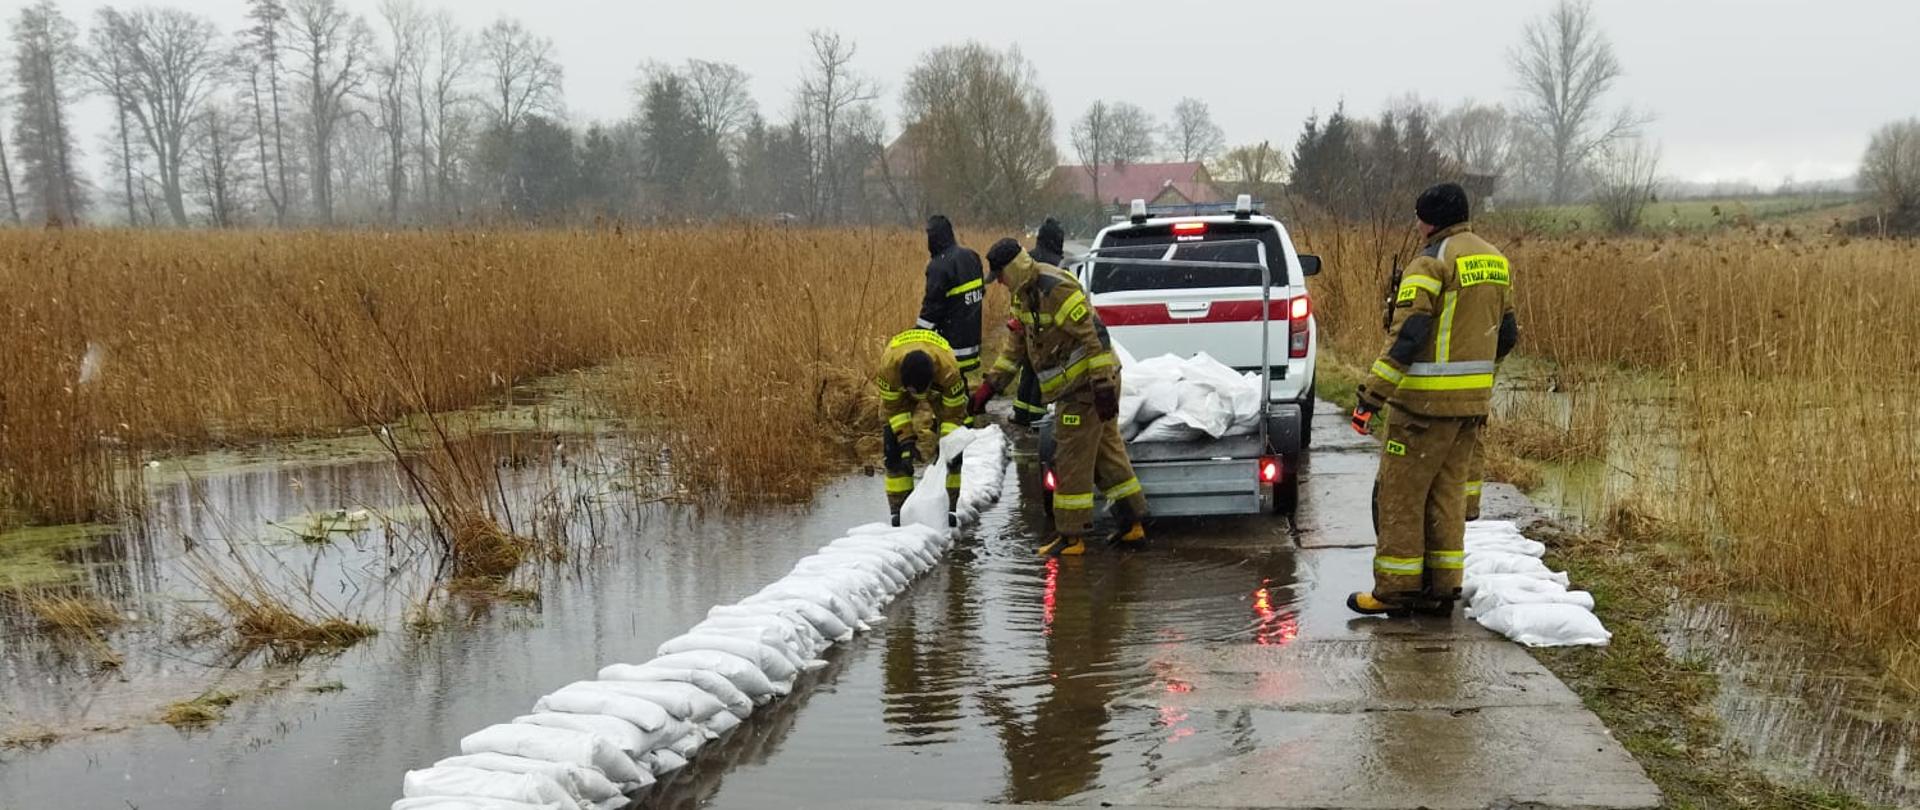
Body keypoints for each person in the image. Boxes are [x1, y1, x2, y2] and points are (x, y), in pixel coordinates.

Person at [1348, 182, 1518, 617]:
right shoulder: (1495, 261)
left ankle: (1395, 590)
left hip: (1422, 409)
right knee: (1447, 497)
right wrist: (1476, 380)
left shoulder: (1430, 262)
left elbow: (1408, 335)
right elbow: (1507, 335)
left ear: (1430, 221)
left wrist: (1370, 397)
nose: (1417, 225)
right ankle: (1442, 589)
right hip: (1470, 408)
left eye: (1419, 218)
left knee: (1400, 497)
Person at [972, 239, 1148, 557]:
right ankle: (1132, 524)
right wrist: (990, 387)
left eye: (1000, 275)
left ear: (1013, 268)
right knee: (1106, 453)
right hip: (1084, 386)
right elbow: (1016, 347)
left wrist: (1102, 384)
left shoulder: (1055, 288)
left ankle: (1072, 537)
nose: (998, 282)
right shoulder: (1023, 296)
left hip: (1088, 386)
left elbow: (1094, 336)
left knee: (1070, 458)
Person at [874, 329, 971, 528]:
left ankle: (950, 508)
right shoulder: (889, 370)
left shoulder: (949, 372)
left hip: (939, 388)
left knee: (954, 455)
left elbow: (953, 415)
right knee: (893, 451)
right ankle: (899, 512)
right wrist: (906, 442)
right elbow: (894, 410)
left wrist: (946, 446)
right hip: (900, 391)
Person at [1006, 218, 1066, 428]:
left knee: (1028, 369)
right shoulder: (1058, 264)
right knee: (1044, 375)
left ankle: (1021, 413)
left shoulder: (1028, 259)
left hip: (1024, 324)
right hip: (1048, 331)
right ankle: (1037, 420)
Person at [918, 215, 986, 385]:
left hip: (951, 348)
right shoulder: (972, 256)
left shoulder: (939, 266)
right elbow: (981, 292)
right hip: (972, 344)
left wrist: (916, 335)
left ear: (933, 238)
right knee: (958, 384)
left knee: (944, 388)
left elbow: (932, 309)